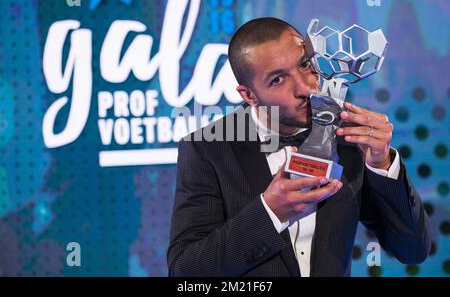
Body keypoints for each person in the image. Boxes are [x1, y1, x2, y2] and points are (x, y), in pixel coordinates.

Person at [167, 17, 431, 277]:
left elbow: (412, 251)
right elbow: (185, 272)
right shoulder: (207, 149)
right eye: (278, 80)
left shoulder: (347, 136)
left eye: (305, 65)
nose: (306, 87)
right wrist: (269, 211)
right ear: (249, 95)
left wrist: (382, 164)